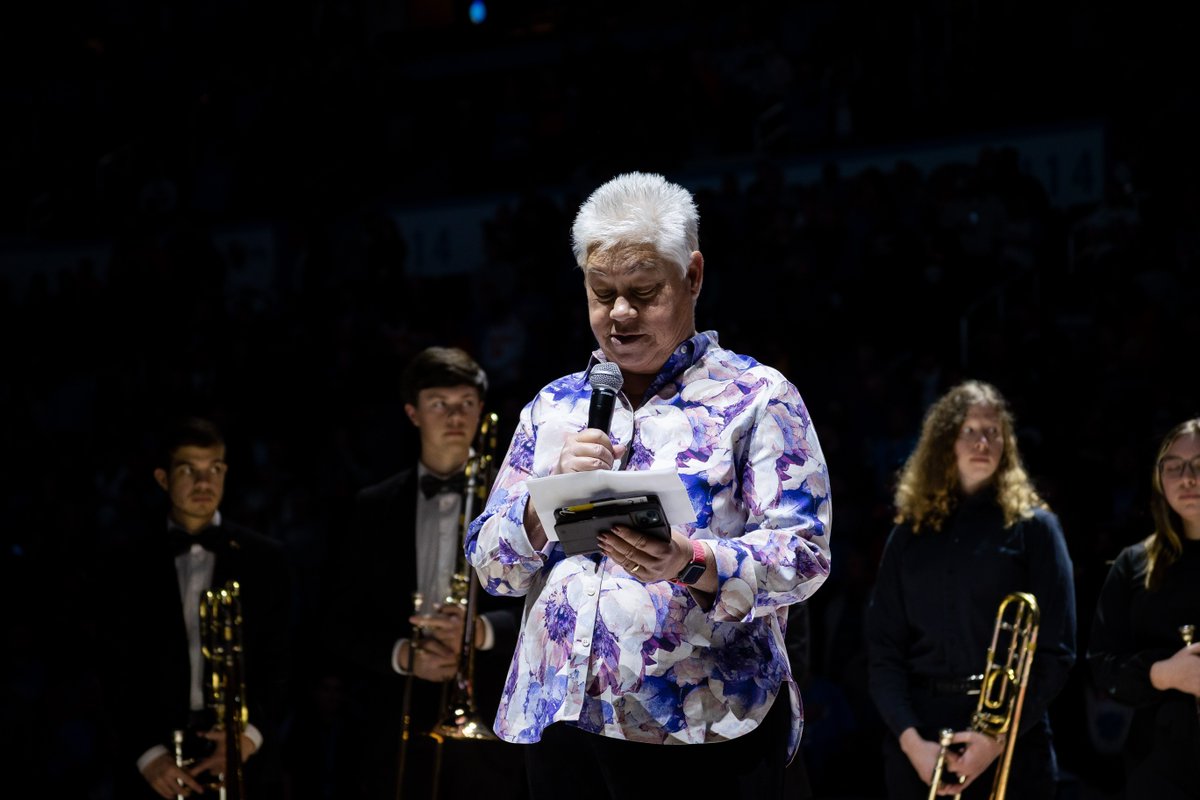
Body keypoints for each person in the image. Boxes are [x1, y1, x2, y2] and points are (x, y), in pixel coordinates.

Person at [465, 171, 832, 800]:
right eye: (601, 293)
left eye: (642, 291)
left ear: (692, 276)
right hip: (561, 720)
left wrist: (692, 560)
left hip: (700, 730)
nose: (620, 314)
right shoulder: (551, 407)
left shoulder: (759, 397)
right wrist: (540, 502)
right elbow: (492, 570)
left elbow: (804, 555)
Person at [324, 346, 525, 800]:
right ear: (413, 413)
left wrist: (480, 631)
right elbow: (339, 621)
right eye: (439, 404)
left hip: (492, 713)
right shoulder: (372, 506)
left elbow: (550, 606)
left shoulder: (518, 500)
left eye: (466, 404)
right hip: (396, 711)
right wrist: (400, 655)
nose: (455, 416)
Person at [865, 380, 1075, 799]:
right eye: (970, 431)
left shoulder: (1035, 529)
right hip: (921, 741)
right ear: (946, 443)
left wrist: (994, 741)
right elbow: (883, 651)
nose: (984, 442)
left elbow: (1057, 651)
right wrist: (913, 744)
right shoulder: (909, 535)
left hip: (1012, 737)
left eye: (994, 432)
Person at [105, 417, 292, 799]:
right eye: (189, 470)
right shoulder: (125, 562)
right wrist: (147, 754)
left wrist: (249, 738)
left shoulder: (267, 559)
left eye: (215, 470)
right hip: (153, 759)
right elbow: (112, 666)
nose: (204, 484)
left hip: (244, 759)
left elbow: (285, 661)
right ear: (163, 478)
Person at [1087, 417, 1200, 798]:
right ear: (1159, 479)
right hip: (1159, 767)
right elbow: (1101, 666)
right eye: (1174, 467)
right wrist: (1163, 674)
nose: (1187, 478)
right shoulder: (1133, 564)